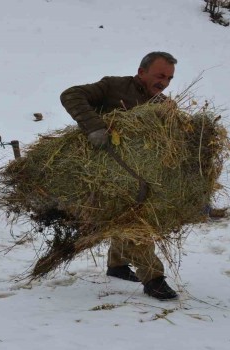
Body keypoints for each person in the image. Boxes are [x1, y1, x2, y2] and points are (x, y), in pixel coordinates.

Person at [59, 51, 179, 300]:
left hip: (137, 177)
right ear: (141, 72)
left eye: (169, 78)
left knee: (125, 219)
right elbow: (71, 95)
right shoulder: (113, 86)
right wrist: (95, 127)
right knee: (137, 226)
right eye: (160, 76)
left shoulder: (162, 105)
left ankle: (117, 264)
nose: (164, 83)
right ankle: (154, 279)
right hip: (102, 172)